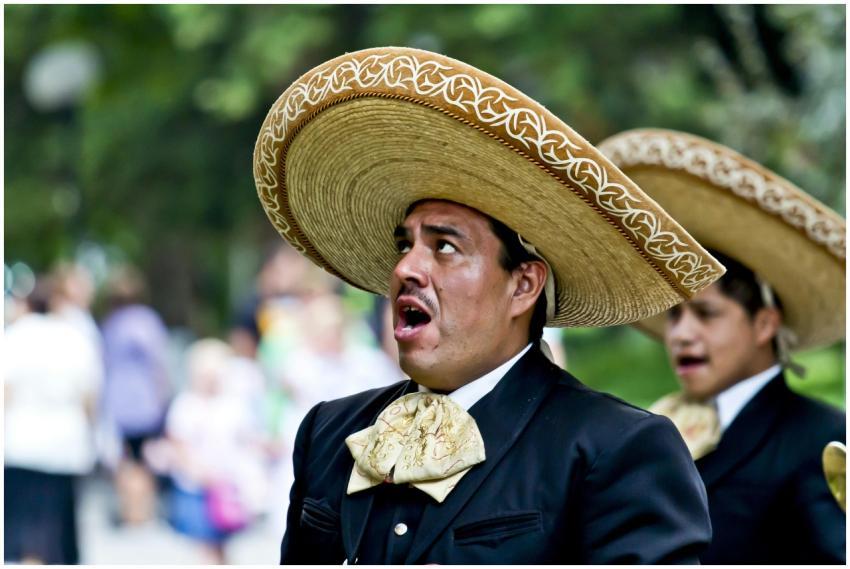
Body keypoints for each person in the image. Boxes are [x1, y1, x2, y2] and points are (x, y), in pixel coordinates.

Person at [252, 47, 725, 564]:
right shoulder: (330, 431)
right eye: (403, 244)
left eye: (445, 247)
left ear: (523, 286)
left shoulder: (614, 449)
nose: (407, 268)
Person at [599, 128, 846, 564]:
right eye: (675, 315)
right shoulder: (655, 427)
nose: (681, 334)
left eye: (707, 314)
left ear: (765, 323)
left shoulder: (821, 437)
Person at [4, 276, 103, 564]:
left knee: (24, 534)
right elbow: (89, 399)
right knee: (58, 535)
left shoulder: (15, 336)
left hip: (22, 443)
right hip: (66, 446)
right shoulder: (76, 339)